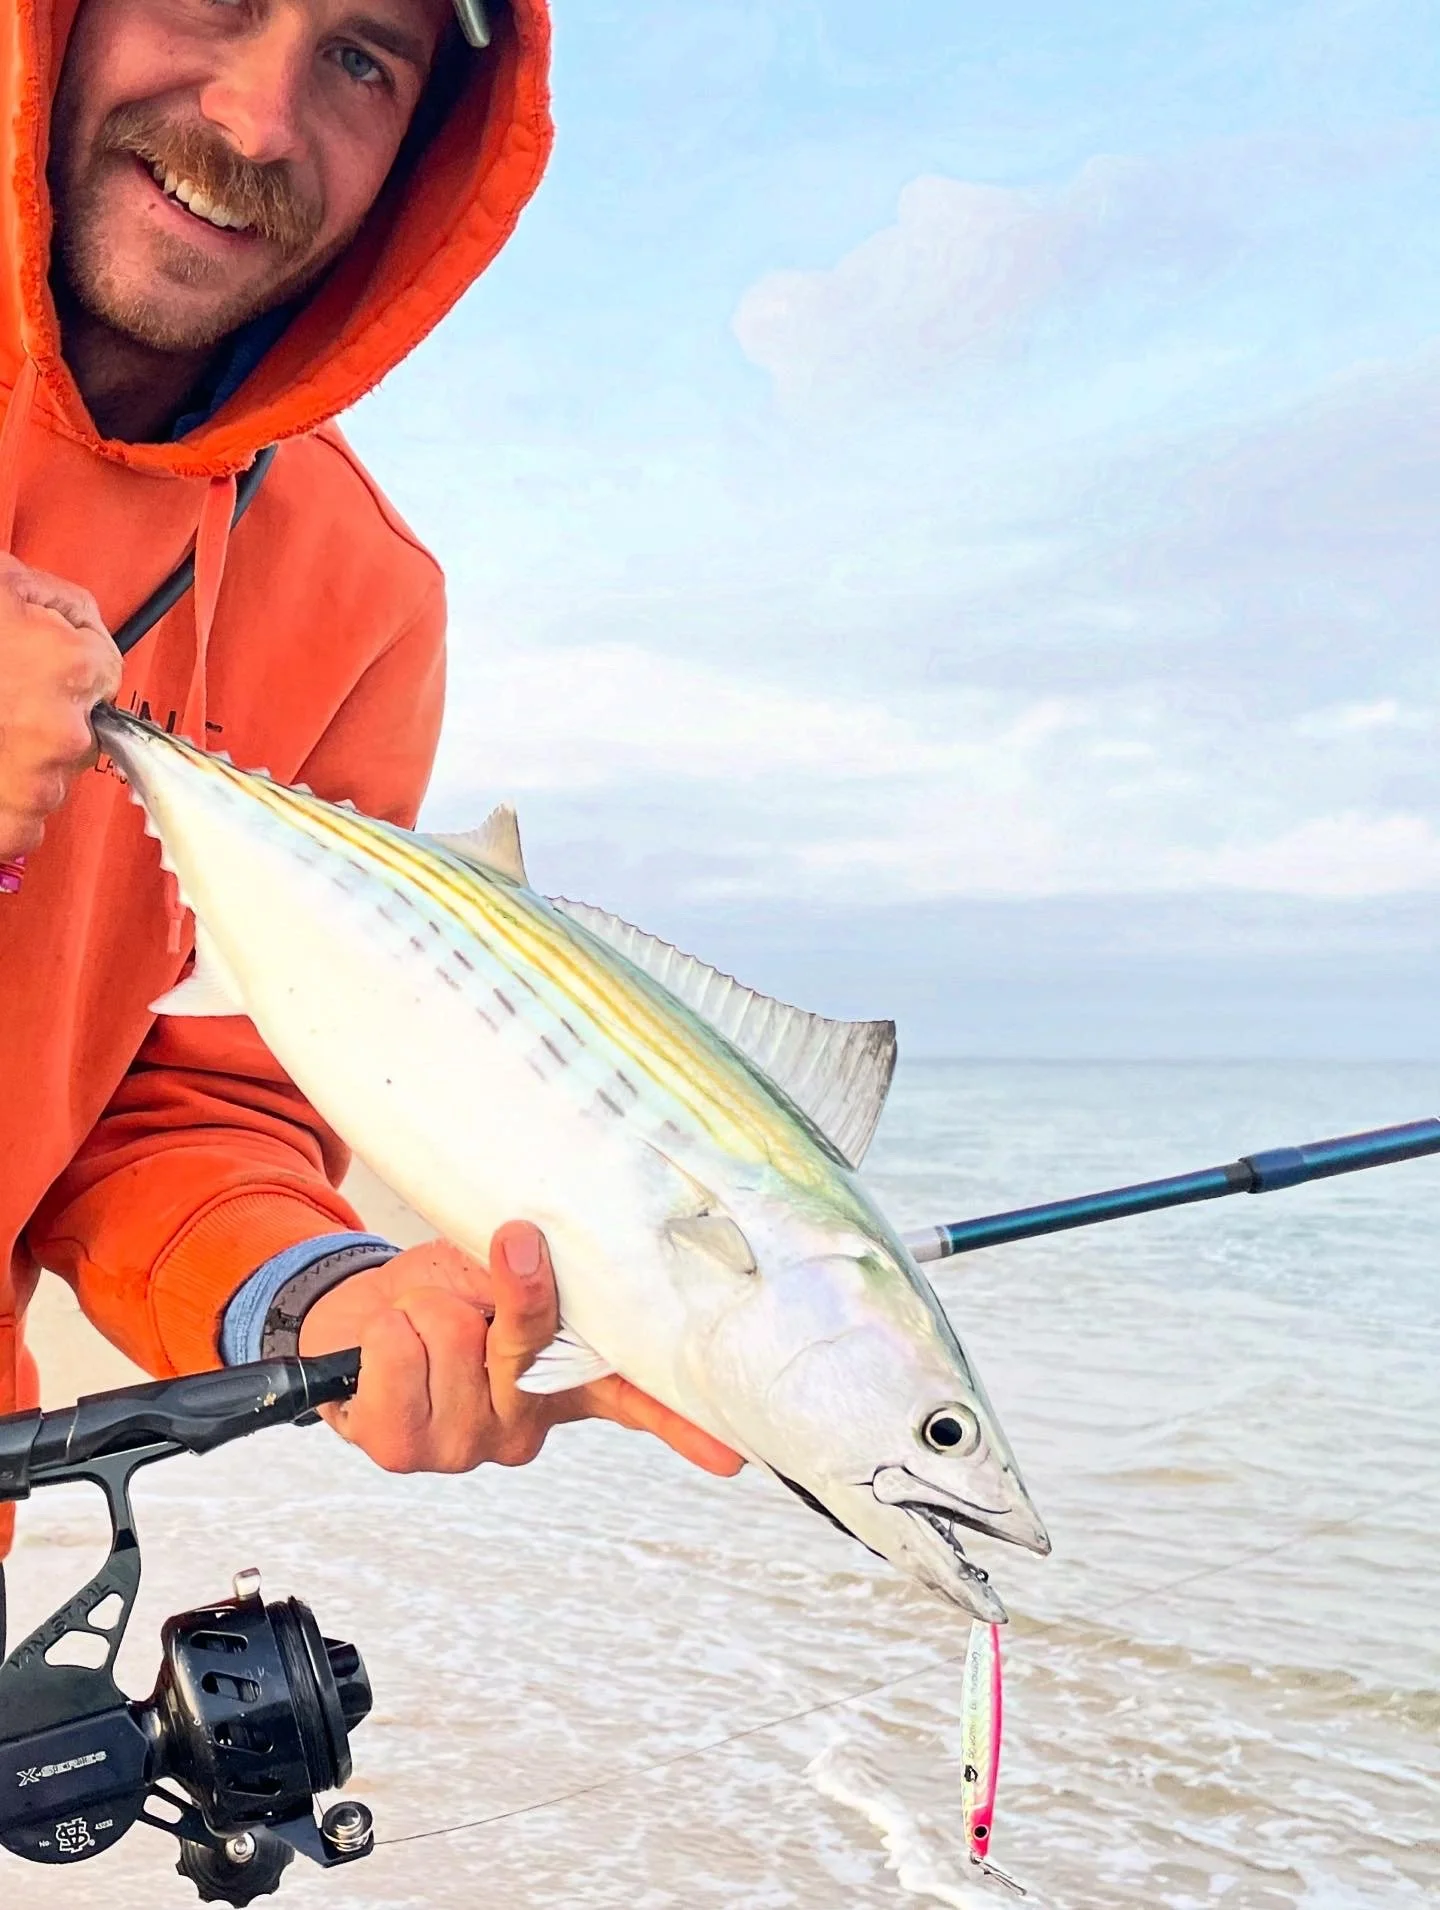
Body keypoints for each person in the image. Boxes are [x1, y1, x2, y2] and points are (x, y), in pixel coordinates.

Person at [0, 0, 741, 1635]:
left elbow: (176, 1104)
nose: (258, 124)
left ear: (432, 141)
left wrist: (320, 1293)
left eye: (362, 58)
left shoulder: (363, 593)